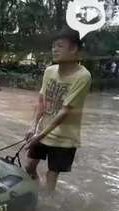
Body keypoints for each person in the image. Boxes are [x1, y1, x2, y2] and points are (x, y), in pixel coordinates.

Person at [24, 27, 92, 193]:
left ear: (74, 49)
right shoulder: (49, 71)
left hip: (64, 138)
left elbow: (65, 111)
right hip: (42, 130)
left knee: (51, 175)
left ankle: (47, 207)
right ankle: (36, 192)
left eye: (60, 46)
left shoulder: (83, 76)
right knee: (29, 167)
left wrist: (39, 135)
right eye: (53, 46)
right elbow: (41, 101)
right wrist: (33, 126)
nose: (54, 49)